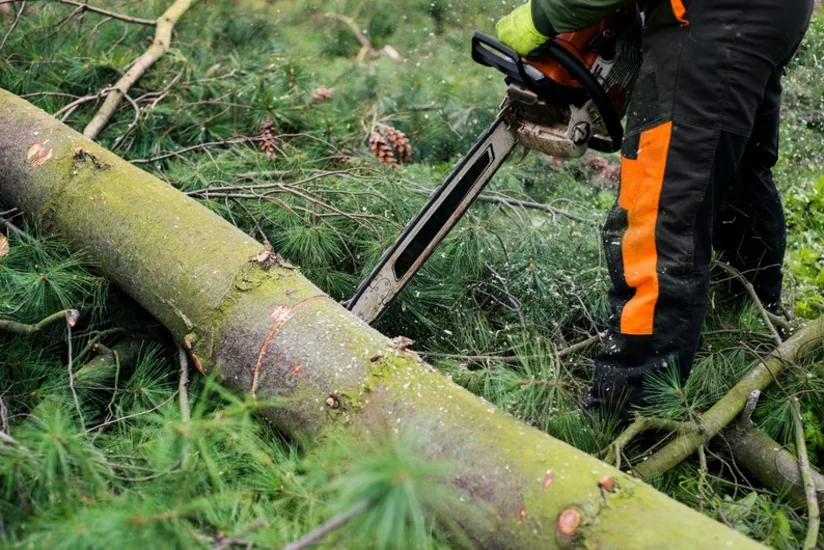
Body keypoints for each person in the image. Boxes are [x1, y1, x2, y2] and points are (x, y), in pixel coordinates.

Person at [497, 0, 815, 419]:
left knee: (662, 208)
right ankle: (748, 324)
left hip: (712, 13)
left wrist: (544, 17)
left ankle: (630, 413)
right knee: (735, 173)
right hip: (769, 13)